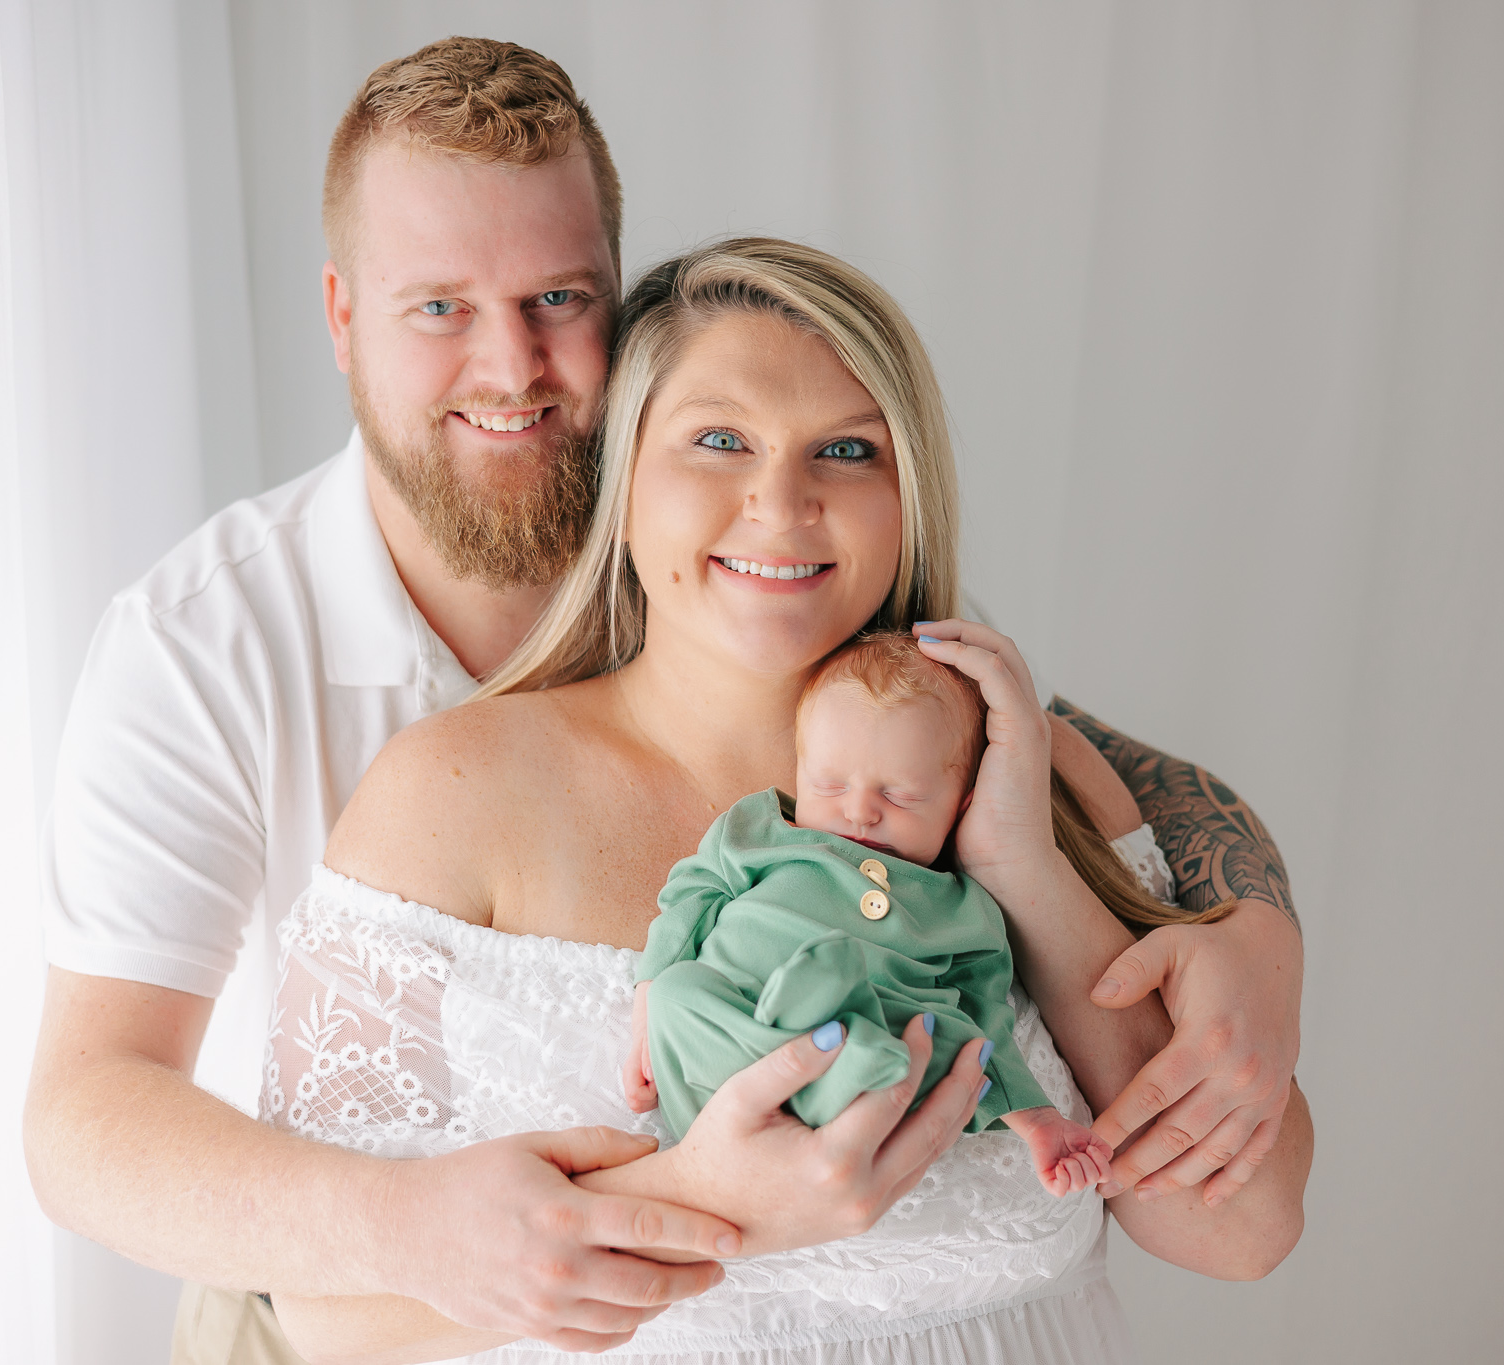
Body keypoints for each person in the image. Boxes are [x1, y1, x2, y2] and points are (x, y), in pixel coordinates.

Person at [21, 37, 1307, 1363]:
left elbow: (1234, 1184)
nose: (511, 367)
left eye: (558, 298)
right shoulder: (222, 650)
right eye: (438, 307)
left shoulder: (918, 715)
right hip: (314, 1247)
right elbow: (103, 1128)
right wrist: (618, 1210)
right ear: (343, 316)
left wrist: (1251, 916)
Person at [261, 237, 1310, 1363]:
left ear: (908, 499)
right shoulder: (452, 795)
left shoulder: (1029, 765)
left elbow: (1240, 1231)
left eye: (847, 451)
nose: (781, 501)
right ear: (620, 489)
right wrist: (701, 1208)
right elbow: (323, 1319)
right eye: (717, 441)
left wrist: (1022, 869)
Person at [624, 630, 1116, 1199]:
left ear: (962, 805)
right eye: (829, 785)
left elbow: (987, 1020)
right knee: (679, 991)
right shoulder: (760, 833)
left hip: (878, 1051)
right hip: (728, 1063)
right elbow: (692, 896)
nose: (859, 811)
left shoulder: (963, 909)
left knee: (930, 1037)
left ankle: (845, 1046)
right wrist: (648, 995)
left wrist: (1038, 1121)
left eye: (902, 796)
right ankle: (825, 1043)